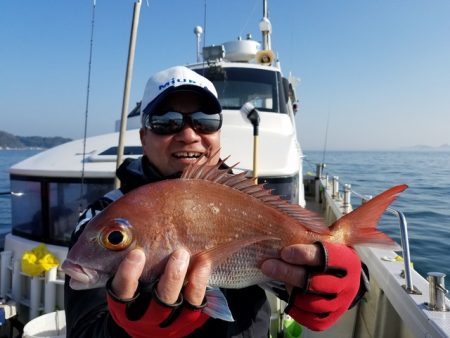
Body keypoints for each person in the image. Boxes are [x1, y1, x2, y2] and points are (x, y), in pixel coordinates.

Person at [64, 66, 365, 338]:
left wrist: (344, 277)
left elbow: (303, 268)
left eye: (204, 121)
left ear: (219, 133)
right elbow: (84, 331)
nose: (188, 134)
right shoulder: (104, 214)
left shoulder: (248, 197)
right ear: (144, 136)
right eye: (166, 121)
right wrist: (128, 332)